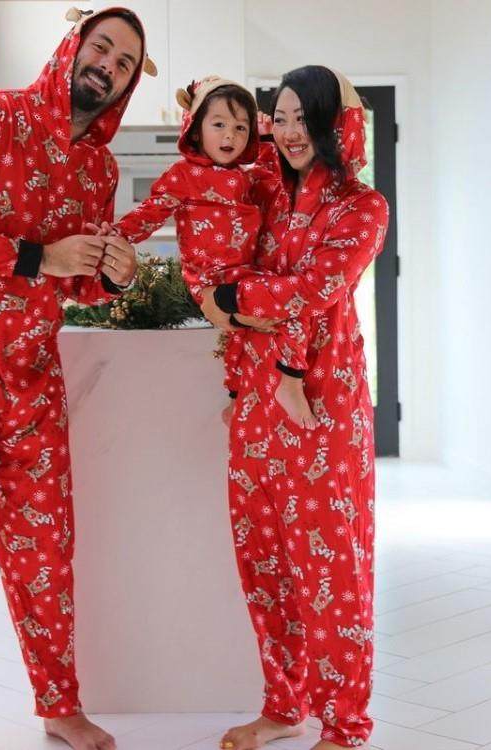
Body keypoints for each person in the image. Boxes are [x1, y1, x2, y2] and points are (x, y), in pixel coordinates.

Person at [0, 7, 154, 749]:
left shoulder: (100, 169)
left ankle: (59, 705)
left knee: (45, 549)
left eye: (125, 62)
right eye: (101, 46)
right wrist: (38, 256)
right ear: (72, 47)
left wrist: (113, 275)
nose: (109, 65)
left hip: (33, 371)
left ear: (129, 85)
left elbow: (79, 282)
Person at [200, 66, 389, 750]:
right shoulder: (267, 196)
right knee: (266, 566)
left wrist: (237, 299)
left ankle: (344, 725)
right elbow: (220, 261)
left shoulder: (362, 208)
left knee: (332, 570)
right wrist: (237, 383)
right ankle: (285, 707)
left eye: (305, 117)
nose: (290, 131)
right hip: (254, 407)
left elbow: (313, 290)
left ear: (337, 123)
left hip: (321, 406)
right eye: (279, 117)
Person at [100, 76, 316, 427]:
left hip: (242, 275)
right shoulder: (184, 175)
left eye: (240, 127)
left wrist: (265, 138)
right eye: (219, 125)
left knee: (244, 333)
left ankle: (234, 398)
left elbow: (275, 178)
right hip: (209, 279)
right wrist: (118, 234)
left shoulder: (247, 178)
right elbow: (151, 212)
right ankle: (290, 381)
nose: (230, 135)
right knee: (291, 307)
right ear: (196, 130)